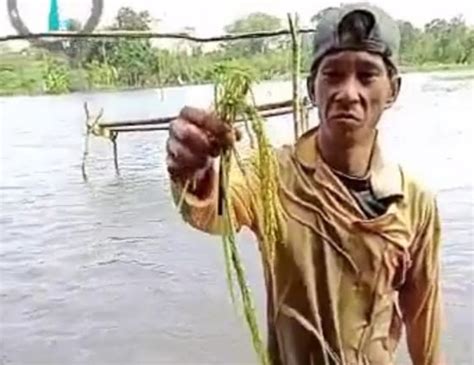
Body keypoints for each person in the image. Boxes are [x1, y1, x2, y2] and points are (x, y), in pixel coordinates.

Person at [165, 3, 444, 365]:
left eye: (367, 74)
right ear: (313, 89)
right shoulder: (270, 175)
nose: (348, 91)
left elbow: (424, 320)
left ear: (393, 90)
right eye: (332, 75)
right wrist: (194, 172)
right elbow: (213, 212)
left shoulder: (414, 202)